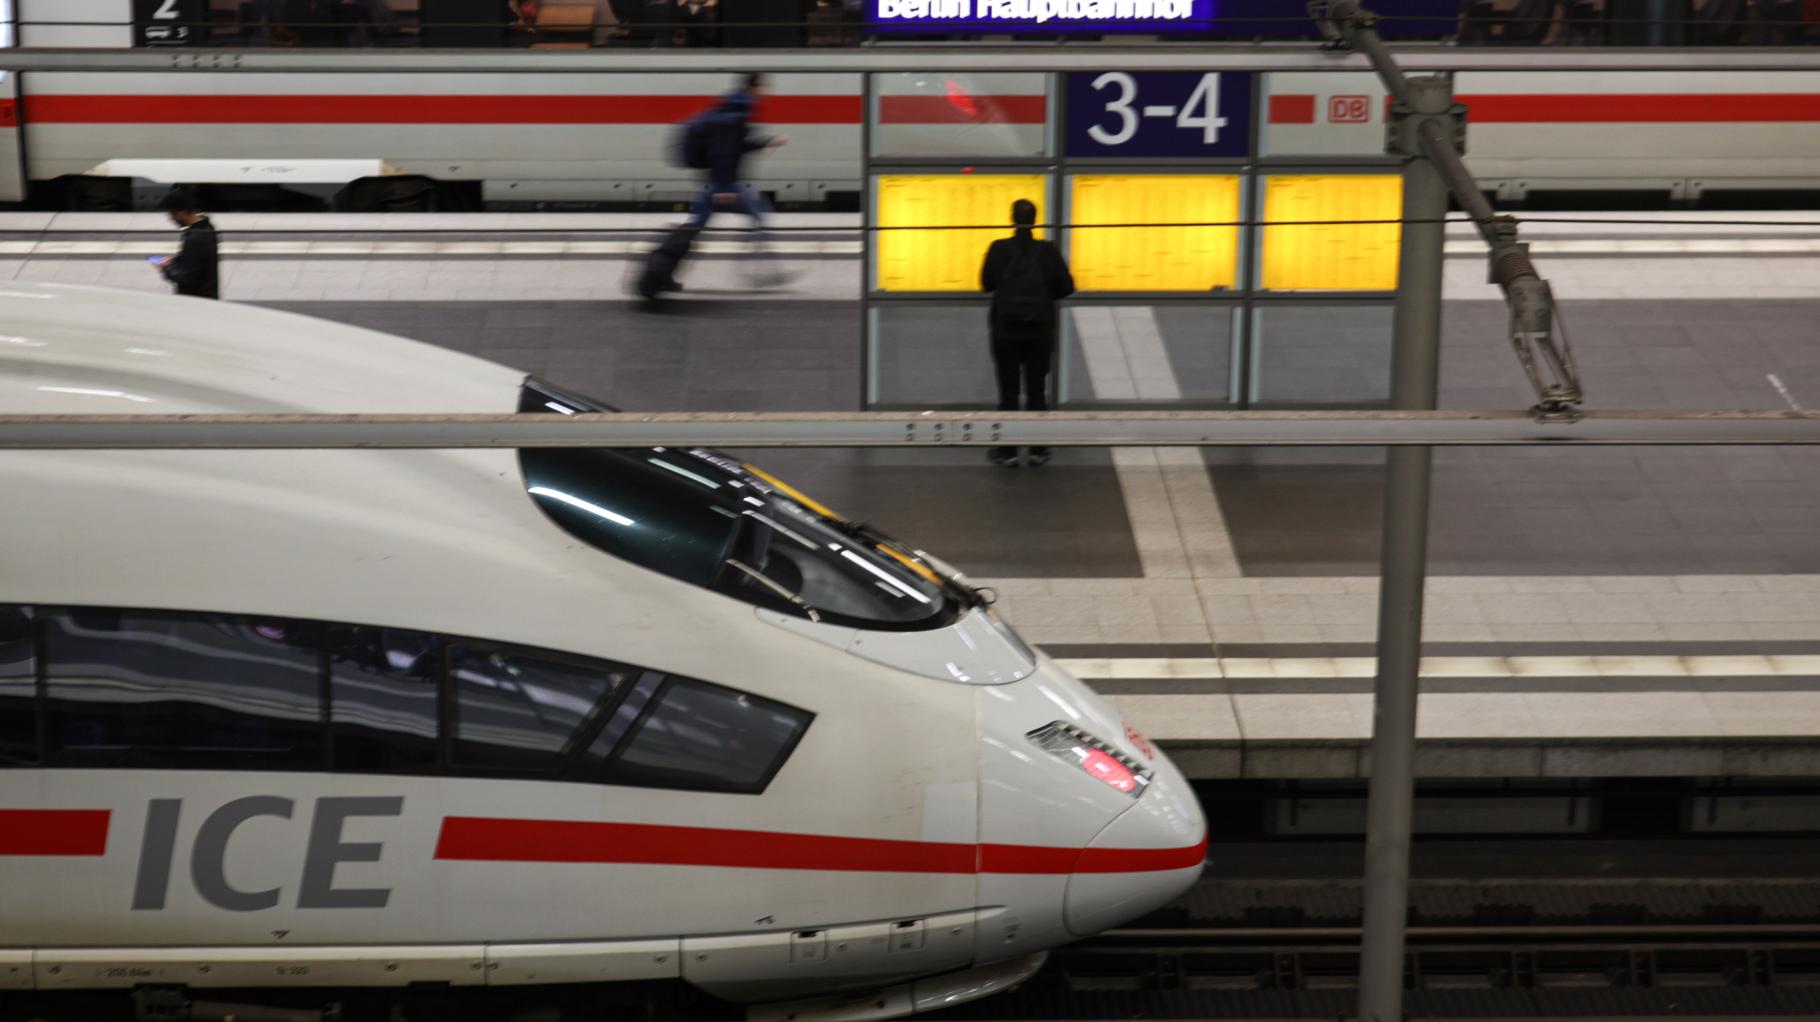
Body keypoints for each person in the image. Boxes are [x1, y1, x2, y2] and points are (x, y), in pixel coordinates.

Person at [637, 72, 788, 301]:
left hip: (714, 183)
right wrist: (726, 187)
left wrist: (766, 142)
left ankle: (661, 272)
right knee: (758, 214)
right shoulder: (735, 114)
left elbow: (732, 146)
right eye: (764, 86)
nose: (768, 91)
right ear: (753, 88)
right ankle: (759, 273)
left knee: (693, 228)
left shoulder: (732, 108)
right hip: (722, 183)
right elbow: (723, 152)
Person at [979, 199, 1074, 468]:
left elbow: (986, 284)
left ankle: (1007, 451)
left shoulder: (998, 249)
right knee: (1036, 391)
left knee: (1008, 392)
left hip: (1005, 332)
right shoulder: (1047, 251)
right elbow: (1066, 287)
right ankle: (1037, 449)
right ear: (1035, 220)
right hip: (1039, 332)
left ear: (1012, 218)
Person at [152, 188, 220, 301]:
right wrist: (178, 259)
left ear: (181, 213)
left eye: (171, 214)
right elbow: (199, 261)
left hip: (196, 301)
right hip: (209, 295)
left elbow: (186, 279)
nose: (171, 219)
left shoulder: (194, 239)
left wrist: (165, 268)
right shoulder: (208, 227)